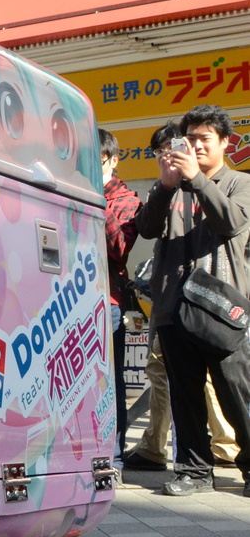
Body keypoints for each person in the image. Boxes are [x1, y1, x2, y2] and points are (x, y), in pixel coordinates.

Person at [137, 103, 250, 496]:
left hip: (221, 310)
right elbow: (146, 228)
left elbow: (232, 223)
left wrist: (197, 181)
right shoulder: (171, 187)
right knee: (184, 396)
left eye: (206, 138)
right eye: (191, 138)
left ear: (225, 142)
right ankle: (194, 472)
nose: (197, 146)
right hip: (172, 310)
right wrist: (166, 185)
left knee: (237, 394)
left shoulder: (239, 183)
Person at [99, 128, 140, 466]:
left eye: (94, 161)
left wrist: (96, 200)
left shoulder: (127, 199)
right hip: (66, 298)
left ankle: (114, 451)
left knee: (110, 381)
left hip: (108, 301)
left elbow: (119, 250)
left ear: (112, 160)